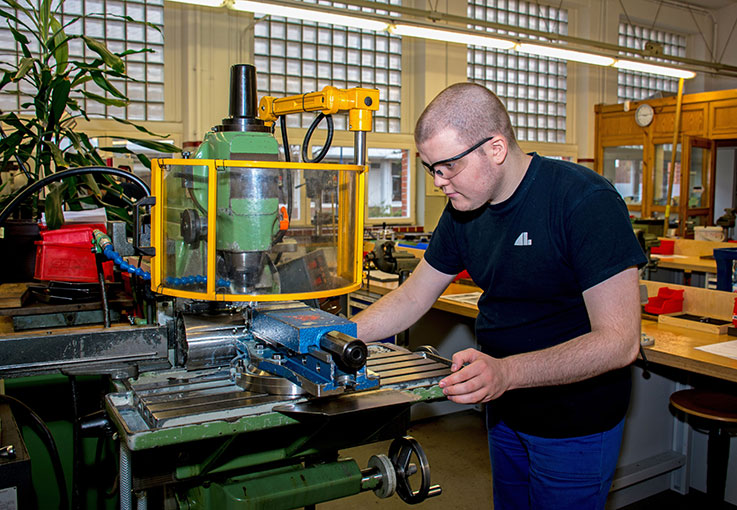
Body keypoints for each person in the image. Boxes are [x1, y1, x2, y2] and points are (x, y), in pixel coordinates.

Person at [352, 82, 647, 510]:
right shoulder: (463, 209)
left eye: (447, 167)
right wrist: (334, 335)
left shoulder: (584, 201)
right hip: (506, 411)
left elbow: (620, 342)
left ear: (495, 148)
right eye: (430, 168)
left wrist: (507, 373)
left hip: (575, 422)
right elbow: (413, 297)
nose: (439, 183)